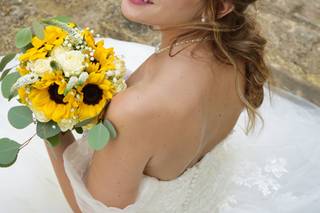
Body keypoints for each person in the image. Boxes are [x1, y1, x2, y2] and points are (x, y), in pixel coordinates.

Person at [41, 0, 320, 212]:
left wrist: (46, 114)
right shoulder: (236, 51)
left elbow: (91, 209)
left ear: (219, 7)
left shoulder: (137, 109)